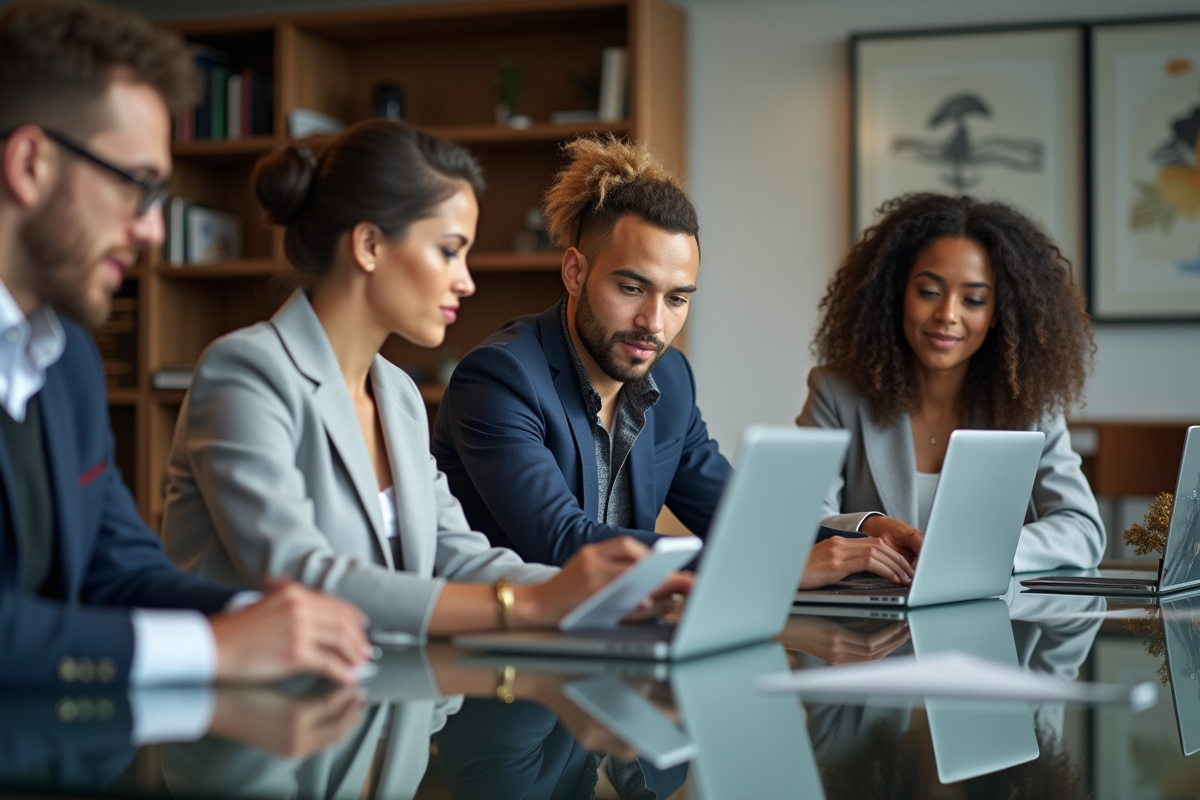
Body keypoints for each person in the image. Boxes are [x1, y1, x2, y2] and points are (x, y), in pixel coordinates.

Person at [161, 120, 684, 636]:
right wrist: (528, 606)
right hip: (261, 709)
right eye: (449, 250)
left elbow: (458, 556)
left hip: (382, 702)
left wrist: (608, 595)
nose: (465, 281)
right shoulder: (247, 373)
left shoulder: (398, 396)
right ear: (368, 245)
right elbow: (301, 578)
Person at [0, 0, 368, 688]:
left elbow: (120, 568)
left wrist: (261, 614)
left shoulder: (70, 357)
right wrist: (213, 650)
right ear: (30, 164)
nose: (152, 231)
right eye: (139, 186)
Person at [432, 135, 732, 567]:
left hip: (623, 629)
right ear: (575, 272)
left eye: (676, 299)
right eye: (631, 288)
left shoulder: (672, 379)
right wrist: (754, 557)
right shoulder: (498, 377)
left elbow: (736, 516)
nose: (654, 323)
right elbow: (562, 541)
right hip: (508, 627)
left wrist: (861, 534)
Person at [797, 192, 1105, 585]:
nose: (947, 315)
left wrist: (982, 552)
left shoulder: (1028, 402)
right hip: (868, 636)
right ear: (897, 293)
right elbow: (804, 519)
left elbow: (1082, 528)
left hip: (992, 632)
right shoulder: (835, 392)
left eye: (973, 299)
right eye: (929, 292)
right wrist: (869, 526)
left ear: (998, 314)